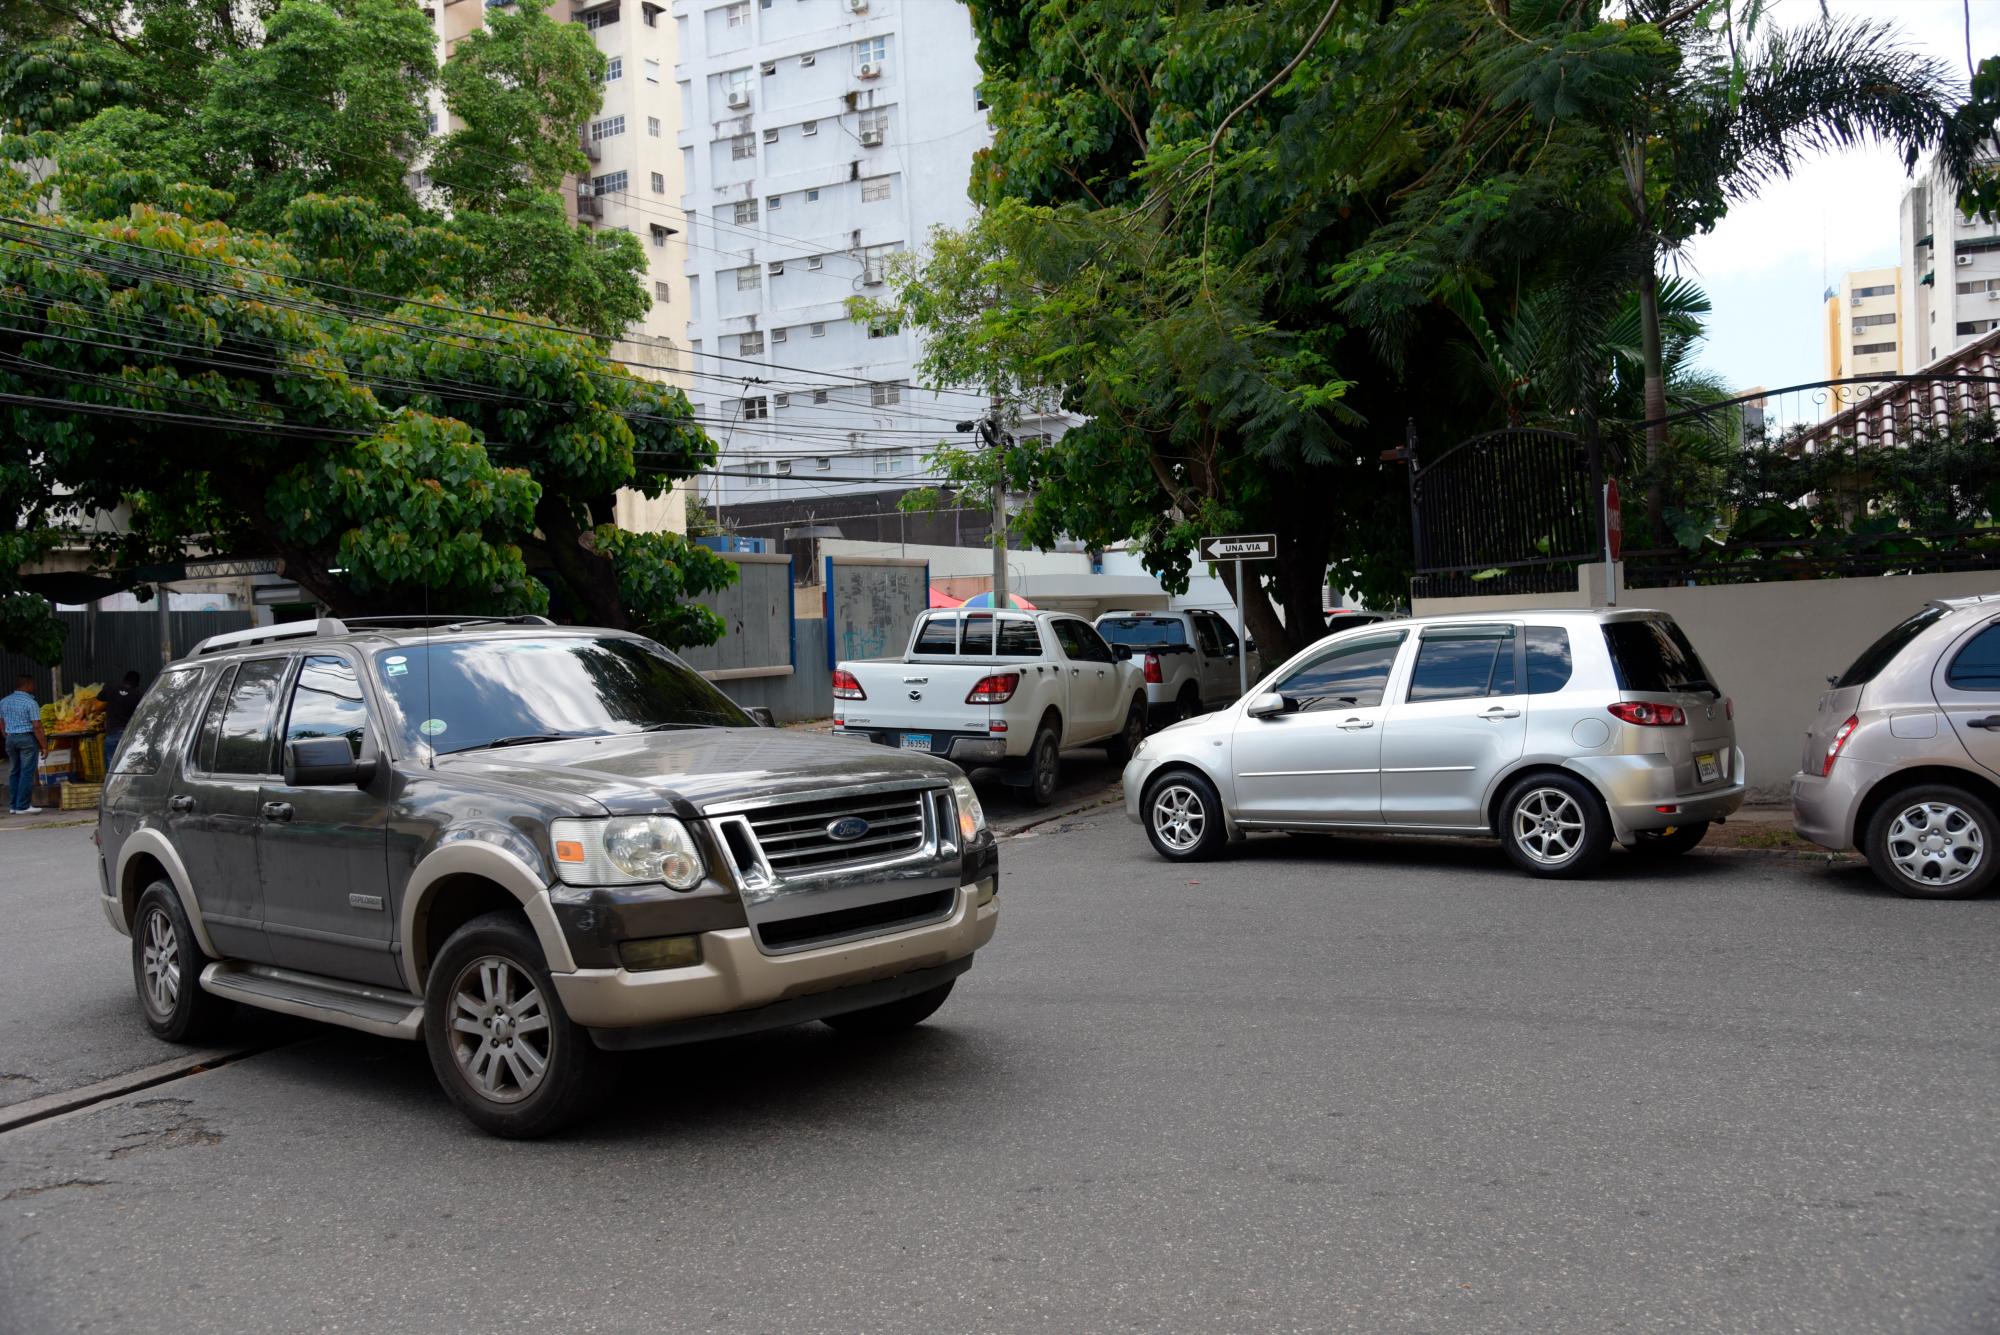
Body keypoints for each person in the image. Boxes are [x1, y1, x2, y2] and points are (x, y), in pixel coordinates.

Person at [3, 673, 48, 816]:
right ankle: (23, 806)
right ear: (27, 685)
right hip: (27, 739)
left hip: (10, 739)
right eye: (32, 684)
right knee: (27, 772)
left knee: (14, 771)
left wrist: (8, 736)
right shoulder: (31, 703)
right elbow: (37, 726)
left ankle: (13, 806)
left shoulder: (4, 701)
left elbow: (1, 723)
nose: (34, 687)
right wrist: (44, 745)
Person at [102, 670, 144, 765]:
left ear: (124, 679)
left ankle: (113, 780)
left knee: (111, 764)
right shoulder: (138, 695)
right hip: (128, 736)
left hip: (112, 733)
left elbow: (99, 699)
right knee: (127, 764)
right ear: (137, 683)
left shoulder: (111, 689)